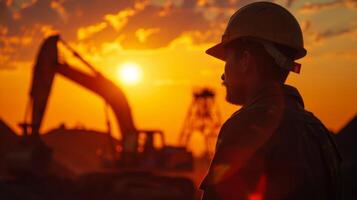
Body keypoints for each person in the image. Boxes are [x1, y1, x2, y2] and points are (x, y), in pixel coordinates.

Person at [200, 2, 342, 200]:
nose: (222, 77)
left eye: (227, 61)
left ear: (245, 60)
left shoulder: (245, 126)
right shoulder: (318, 132)